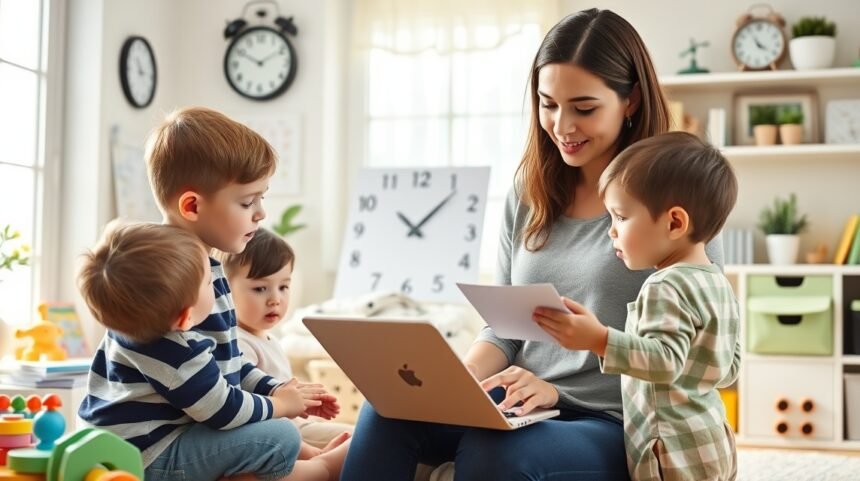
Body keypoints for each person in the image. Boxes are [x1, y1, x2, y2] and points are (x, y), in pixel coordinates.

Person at [341, 8, 724, 481]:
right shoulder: (529, 193)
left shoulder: (674, 204)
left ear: (631, 101)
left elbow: (696, 354)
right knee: (386, 412)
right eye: (548, 104)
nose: (562, 125)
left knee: (496, 452)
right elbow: (503, 329)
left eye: (584, 108)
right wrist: (457, 384)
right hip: (520, 403)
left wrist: (557, 390)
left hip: (613, 421)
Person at [78, 107, 348, 481]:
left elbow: (227, 365)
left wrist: (279, 388)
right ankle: (321, 470)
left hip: (183, 429)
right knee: (278, 434)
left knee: (275, 432)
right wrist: (280, 405)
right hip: (145, 455)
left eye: (260, 199)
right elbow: (219, 406)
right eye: (247, 202)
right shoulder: (162, 296)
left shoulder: (208, 270)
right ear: (192, 206)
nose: (261, 214)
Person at [534, 132, 740, 481]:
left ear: (675, 222)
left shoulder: (664, 285)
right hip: (711, 436)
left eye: (621, 218)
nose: (611, 232)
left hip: (670, 447)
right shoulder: (716, 282)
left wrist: (598, 339)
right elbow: (730, 368)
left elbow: (665, 361)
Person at [219, 227, 354, 457]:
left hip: (296, 426)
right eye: (260, 288)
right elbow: (247, 410)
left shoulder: (268, 337)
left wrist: (305, 398)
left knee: (362, 437)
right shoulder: (239, 344)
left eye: (283, 287)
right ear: (225, 289)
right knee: (359, 441)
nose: (275, 299)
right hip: (284, 435)